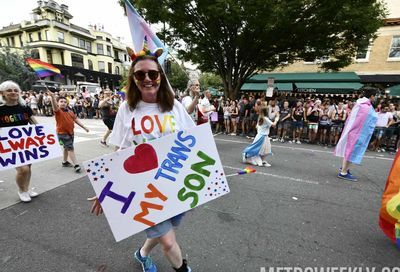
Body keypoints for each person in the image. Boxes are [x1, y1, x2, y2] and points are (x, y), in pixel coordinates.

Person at [90, 46, 193, 272]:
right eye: (140, 74)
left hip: (174, 181)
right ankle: (182, 269)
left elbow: (192, 141)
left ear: (160, 76)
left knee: (165, 228)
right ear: (133, 78)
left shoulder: (174, 107)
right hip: (145, 188)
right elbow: (119, 152)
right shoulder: (128, 109)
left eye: (152, 74)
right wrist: (104, 187)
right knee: (167, 240)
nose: (147, 79)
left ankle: (142, 253)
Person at [0, 80, 39, 202]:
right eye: (9, 90)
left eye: (16, 90)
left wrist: (45, 135)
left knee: (28, 167)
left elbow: (35, 123)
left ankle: (26, 189)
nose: (13, 92)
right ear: (2, 93)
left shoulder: (24, 108)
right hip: (10, 146)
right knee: (23, 169)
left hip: (26, 144)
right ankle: (21, 190)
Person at [334, 87, 378, 182]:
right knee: (352, 151)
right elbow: (362, 121)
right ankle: (343, 172)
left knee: (349, 150)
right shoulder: (365, 106)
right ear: (372, 96)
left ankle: (344, 169)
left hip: (354, 131)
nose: (376, 98)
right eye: (375, 96)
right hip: (358, 132)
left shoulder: (361, 103)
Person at [47, 90, 89, 173]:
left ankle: (64, 161)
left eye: (64, 102)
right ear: (58, 103)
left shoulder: (70, 112)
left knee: (66, 148)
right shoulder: (58, 111)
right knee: (70, 148)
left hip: (70, 133)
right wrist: (52, 97)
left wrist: (84, 127)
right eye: (61, 102)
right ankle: (76, 164)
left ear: (67, 103)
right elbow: (54, 107)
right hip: (62, 133)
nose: (63, 103)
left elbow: (76, 120)